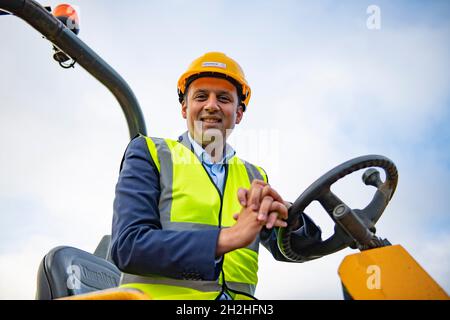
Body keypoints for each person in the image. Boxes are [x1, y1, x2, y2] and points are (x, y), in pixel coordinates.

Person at [110, 52, 322, 300]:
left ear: (238, 113)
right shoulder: (151, 153)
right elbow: (128, 247)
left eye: (224, 98)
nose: (212, 105)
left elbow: (294, 250)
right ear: (184, 108)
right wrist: (226, 238)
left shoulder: (254, 175)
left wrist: (291, 220)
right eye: (201, 96)